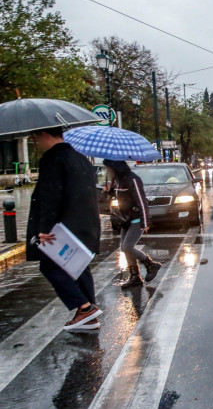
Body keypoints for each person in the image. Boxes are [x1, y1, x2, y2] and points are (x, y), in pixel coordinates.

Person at [26, 127, 102, 331]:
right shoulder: (81, 159)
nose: (36, 143)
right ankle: (89, 315)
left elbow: (51, 196)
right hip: (85, 225)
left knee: (50, 267)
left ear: (43, 134)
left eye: (35, 137)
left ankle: (85, 308)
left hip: (62, 227)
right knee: (78, 266)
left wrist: (44, 228)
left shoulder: (53, 158)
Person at [103, 159, 161, 288]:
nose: (108, 171)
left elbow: (141, 201)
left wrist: (145, 221)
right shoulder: (117, 181)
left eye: (109, 168)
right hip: (125, 219)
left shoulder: (133, 179)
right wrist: (110, 191)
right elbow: (122, 198)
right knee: (124, 248)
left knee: (127, 247)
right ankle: (135, 277)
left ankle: (151, 264)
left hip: (136, 218)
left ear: (116, 167)